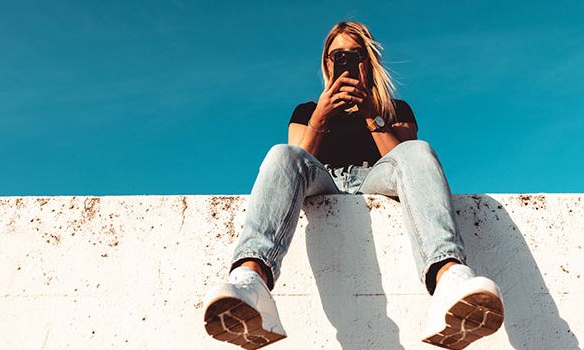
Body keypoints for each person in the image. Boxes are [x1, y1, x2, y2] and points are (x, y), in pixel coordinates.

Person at [202, 21, 504, 349]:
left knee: (419, 149)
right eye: (337, 56)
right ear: (326, 63)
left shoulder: (394, 110)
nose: (344, 61)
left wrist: (373, 116)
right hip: (324, 180)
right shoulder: (306, 111)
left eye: (354, 54)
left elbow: (407, 161)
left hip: (374, 178)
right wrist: (320, 117)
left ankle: (449, 277)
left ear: (367, 61)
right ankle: (251, 279)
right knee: (280, 153)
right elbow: (293, 167)